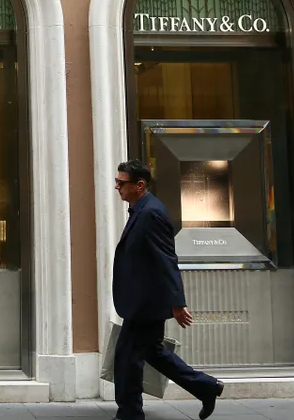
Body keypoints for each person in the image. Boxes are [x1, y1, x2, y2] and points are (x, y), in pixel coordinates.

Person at [112, 159, 224, 420]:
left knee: (127, 359)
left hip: (146, 304)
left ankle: (129, 414)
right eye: (117, 181)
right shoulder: (141, 209)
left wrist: (176, 302)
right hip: (143, 301)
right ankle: (206, 386)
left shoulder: (151, 213)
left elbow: (166, 259)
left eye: (121, 182)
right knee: (153, 353)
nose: (117, 187)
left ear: (139, 185)